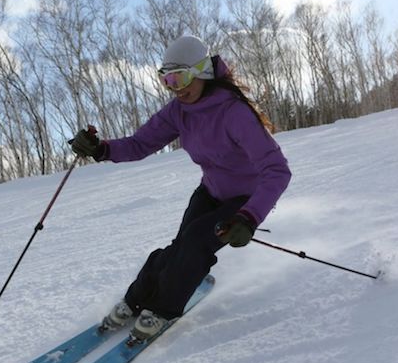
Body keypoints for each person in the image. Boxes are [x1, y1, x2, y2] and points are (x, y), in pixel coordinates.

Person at [71, 35, 291, 341]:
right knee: (179, 247)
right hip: (210, 191)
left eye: (181, 77)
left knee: (195, 244)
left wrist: (249, 217)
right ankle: (135, 299)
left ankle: (162, 309)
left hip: (244, 199)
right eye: (167, 80)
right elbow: (140, 144)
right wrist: (101, 149)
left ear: (202, 71)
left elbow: (277, 170)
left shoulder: (234, 112)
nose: (176, 87)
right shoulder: (179, 111)